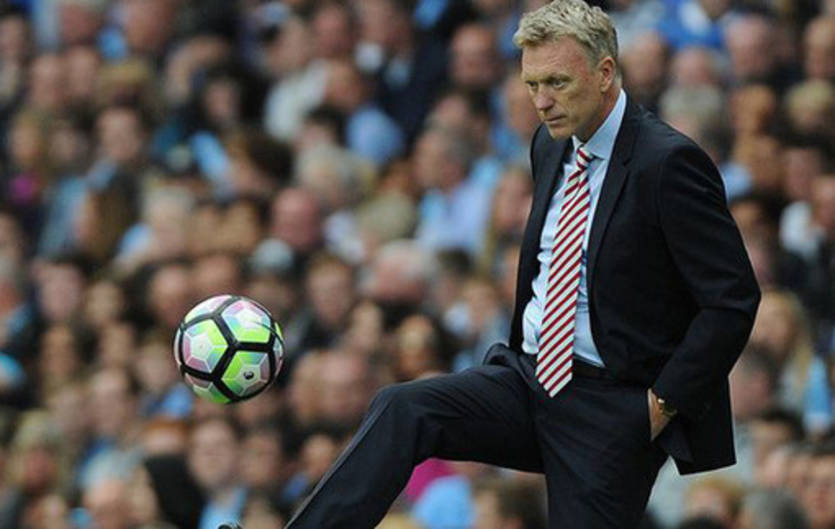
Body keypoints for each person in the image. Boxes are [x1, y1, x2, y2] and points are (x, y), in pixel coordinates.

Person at [282, 1, 760, 528]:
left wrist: (660, 406)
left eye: (557, 82)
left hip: (610, 408)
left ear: (605, 73)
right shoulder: (550, 145)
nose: (542, 101)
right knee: (404, 407)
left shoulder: (667, 162)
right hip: (528, 379)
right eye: (532, 85)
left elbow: (732, 300)